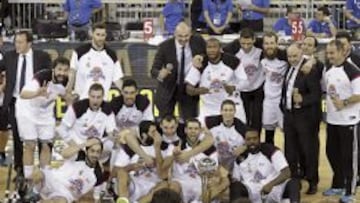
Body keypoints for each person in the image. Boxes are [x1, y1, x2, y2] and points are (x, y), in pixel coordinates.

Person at [0, 30, 51, 178]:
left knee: (43, 138)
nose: (17, 45)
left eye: (21, 42)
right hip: (16, 102)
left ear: (29, 43)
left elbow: (50, 73)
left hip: (37, 102)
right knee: (17, 138)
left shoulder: (42, 57)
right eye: (16, 41)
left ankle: (45, 171)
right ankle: (20, 170)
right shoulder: (9, 56)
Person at [16, 57, 69, 180]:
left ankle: (45, 178)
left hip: (45, 113)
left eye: (65, 70)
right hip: (27, 111)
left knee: (47, 145)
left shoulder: (65, 80)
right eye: (59, 69)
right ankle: (28, 179)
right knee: (30, 144)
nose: (62, 73)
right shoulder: (42, 77)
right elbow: (23, 94)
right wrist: (37, 93)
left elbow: (65, 94)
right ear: (53, 69)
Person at [280, 44, 321, 195]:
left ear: (301, 54)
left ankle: (312, 182)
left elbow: (316, 95)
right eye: (289, 56)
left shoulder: (309, 69)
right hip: (289, 116)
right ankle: (294, 182)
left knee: (308, 151)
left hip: (305, 117)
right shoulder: (289, 67)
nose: (292, 59)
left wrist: (302, 99)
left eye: (295, 56)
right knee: (290, 151)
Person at [157, 118, 229, 203]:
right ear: (185, 130)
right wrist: (173, 155)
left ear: (200, 131)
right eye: (190, 128)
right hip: (181, 181)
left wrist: (214, 177)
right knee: (173, 186)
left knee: (223, 190)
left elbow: (215, 170)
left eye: (196, 129)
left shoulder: (209, 149)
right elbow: (163, 170)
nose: (193, 131)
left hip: (201, 182)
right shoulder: (175, 146)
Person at [323, 40, 360, 203]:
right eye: (328, 53)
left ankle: (350, 191)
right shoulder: (328, 70)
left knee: (349, 158)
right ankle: (337, 184)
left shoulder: (352, 71)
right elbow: (327, 93)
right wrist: (325, 112)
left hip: (349, 121)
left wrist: (344, 102)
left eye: (332, 53)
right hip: (332, 120)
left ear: (341, 52)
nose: (329, 56)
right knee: (332, 153)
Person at [113, 120, 180, 203]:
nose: (157, 135)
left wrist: (157, 148)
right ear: (144, 135)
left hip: (153, 186)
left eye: (156, 131)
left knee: (165, 185)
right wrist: (132, 166)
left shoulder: (166, 148)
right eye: (153, 132)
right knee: (121, 173)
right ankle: (123, 200)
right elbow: (114, 173)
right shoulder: (132, 147)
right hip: (135, 181)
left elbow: (162, 175)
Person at [151, 22, 206, 121]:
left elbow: (208, 54)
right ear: (174, 34)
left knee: (190, 122)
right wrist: (160, 74)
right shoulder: (165, 46)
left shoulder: (198, 41)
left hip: (189, 88)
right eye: (180, 36)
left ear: (191, 34)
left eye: (186, 36)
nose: (184, 39)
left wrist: (201, 57)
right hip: (168, 88)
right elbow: (153, 70)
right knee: (166, 122)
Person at [186, 37, 247, 123]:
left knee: (240, 134)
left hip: (232, 106)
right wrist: (198, 90)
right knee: (202, 133)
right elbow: (189, 89)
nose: (211, 50)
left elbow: (245, 82)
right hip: (209, 107)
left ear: (220, 49)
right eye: (209, 47)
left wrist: (233, 87)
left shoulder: (233, 61)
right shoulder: (200, 63)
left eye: (214, 47)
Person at [230, 129, 300, 203]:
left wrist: (271, 184)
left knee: (294, 183)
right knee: (235, 187)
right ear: (244, 141)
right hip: (253, 192)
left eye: (255, 138)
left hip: (274, 189)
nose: (252, 142)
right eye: (248, 139)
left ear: (259, 139)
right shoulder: (240, 156)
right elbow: (235, 179)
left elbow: (286, 173)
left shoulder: (271, 150)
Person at [27, 137, 105, 203]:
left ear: (101, 154)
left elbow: (77, 194)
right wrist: (85, 144)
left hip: (64, 193)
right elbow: (64, 154)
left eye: (98, 152)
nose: (95, 155)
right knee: (37, 173)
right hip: (51, 178)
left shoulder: (95, 175)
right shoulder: (79, 155)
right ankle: (30, 194)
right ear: (87, 151)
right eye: (92, 151)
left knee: (60, 201)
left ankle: (35, 200)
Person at [67, 23, 123, 100]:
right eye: (98, 34)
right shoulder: (79, 52)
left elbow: (117, 79)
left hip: (102, 102)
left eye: (103, 35)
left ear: (106, 35)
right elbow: (72, 72)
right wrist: (68, 91)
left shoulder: (111, 55)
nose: (100, 38)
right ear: (92, 34)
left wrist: (126, 93)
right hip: (82, 100)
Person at [223, 28, 264, 133]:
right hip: (242, 89)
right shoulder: (233, 51)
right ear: (239, 41)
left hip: (257, 87)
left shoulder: (260, 50)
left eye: (249, 43)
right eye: (243, 43)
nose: (246, 46)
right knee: (243, 118)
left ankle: (256, 142)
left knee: (257, 118)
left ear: (254, 40)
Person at [261, 32, 288, 145]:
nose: (269, 46)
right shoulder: (260, 57)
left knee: (288, 134)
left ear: (277, 44)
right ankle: (270, 159)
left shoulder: (285, 56)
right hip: (268, 102)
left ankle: (288, 160)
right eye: (266, 43)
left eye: (272, 43)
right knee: (268, 134)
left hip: (283, 102)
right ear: (263, 45)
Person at [205, 100, 247, 172]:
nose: (228, 113)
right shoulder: (213, 130)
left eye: (231, 110)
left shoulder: (241, 129)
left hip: (235, 165)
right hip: (217, 165)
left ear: (235, 111)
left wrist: (244, 147)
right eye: (225, 110)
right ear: (221, 111)